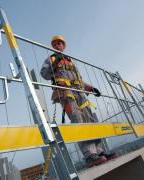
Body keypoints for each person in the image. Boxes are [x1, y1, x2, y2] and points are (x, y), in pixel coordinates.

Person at [40, 35, 115, 167]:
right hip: (66, 93)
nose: (58, 45)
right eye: (56, 44)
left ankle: (100, 152)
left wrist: (90, 87)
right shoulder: (51, 59)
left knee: (91, 120)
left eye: (60, 43)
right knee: (78, 120)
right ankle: (90, 156)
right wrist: (54, 64)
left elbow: (78, 79)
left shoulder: (70, 62)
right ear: (53, 46)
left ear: (63, 46)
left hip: (80, 93)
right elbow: (44, 74)